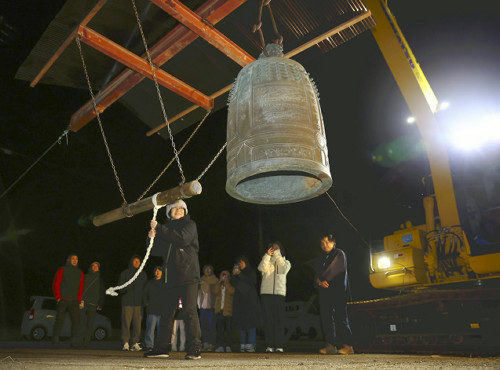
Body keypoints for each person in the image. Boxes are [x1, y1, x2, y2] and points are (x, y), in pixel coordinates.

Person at [144, 199, 202, 360]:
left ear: (185, 212)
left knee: (189, 312)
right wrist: (151, 238)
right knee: (166, 314)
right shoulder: (166, 229)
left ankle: (195, 348)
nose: (178, 210)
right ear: (169, 212)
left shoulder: (190, 226)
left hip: (189, 276)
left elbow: (182, 239)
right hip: (171, 278)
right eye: (175, 208)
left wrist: (160, 228)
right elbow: (155, 251)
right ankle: (162, 348)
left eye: (181, 208)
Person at [314, 234, 354, 355]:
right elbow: (316, 274)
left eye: (326, 242)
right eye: (322, 243)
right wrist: (318, 281)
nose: (324, 245)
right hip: (325, 293)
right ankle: (330, 345)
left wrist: (323, 278)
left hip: (338, 291)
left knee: (341, 318)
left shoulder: (339, 253)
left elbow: (335, 269)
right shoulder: (321, 258)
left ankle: (348, 346)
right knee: (326, 319)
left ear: (333, 242)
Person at [258, 241, 291, 353]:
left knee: (279, 320)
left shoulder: (286, 262)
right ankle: (269, 345)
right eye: (272, 248)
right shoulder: (267, 261)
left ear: (281, 250)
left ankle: (279, 345)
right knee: (268, 320)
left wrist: (277, 255)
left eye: (277, 248)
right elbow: (261, 268)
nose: (274, 250)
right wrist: (267, 255)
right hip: (266, 294)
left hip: (279, 294)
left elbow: (282, 270)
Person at [52, 253, 84, 346]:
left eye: (76, 259)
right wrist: (58, 297)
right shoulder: (62, 270)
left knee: (76, 321)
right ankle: (55, 339)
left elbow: (81, 287)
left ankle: (74, 341)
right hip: (63, 299)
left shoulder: (80, 272)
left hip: (74, 301)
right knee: (59, 319)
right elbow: (56, 283)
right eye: (73, 259)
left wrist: (78, 299)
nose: (75, 260)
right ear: (68, 260)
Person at [231, 255, 261, 353]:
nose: (240, 264)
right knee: (241, 323)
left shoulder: (250, 271)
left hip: (250, 301)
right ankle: (243, 343)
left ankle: (251, 343)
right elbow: (232, 283)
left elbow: (252, 281)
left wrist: (239, 274)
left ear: (245, 262)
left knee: (251, 323)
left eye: (242, 262)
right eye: (238, 263)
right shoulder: (237, 273)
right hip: (239, 302)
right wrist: (234, 274)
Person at [119, 255, 147, 351]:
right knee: (126, 323)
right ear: (131, 262)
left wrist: (145, 301)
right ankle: (125, 343)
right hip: (127, 302)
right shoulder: (125, 273)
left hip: (139, 303)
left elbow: (145, 289)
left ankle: (135, 343)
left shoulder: (143, 274)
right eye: (135, 261)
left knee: (137, 324)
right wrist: (128, 287)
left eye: (138, 261)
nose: (136, 263)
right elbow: (120, 287)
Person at [79, 261, 105, 348]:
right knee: (81, 322)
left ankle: (86, 342)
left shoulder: (100, 280)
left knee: (90, 323)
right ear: (90, 267)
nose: (94, 267)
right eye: (93, 265)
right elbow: (80, 288)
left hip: (93, 303)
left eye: (96, 266)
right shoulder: (85, 277)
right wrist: (79, 300)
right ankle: (79, 340)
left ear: (98, 268)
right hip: (84, 302)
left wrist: (100, 304)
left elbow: (102, 293)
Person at [143, 266, 164, 351]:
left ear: (162, 272)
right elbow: (144, 294)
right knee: (150, 329)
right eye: (156, 270)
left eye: (159, 271)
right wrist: (146, 304)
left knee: (161, 330)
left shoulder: (165, 283)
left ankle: (160, 345)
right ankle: (149, 346)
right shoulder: (150, 283)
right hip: (151, 310)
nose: (157, 272)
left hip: (161, 310)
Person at [198, 264, 218, 351]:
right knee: (203, 325)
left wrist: (207, 285)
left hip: (211, 306)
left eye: (209, 269)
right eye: (206, 269)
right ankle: (205, 342)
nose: (207, 271)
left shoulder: (215, 280)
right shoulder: (200, 280)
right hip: (202, 306)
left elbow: (216, 292)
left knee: (211, 325)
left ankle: (211, 343)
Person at [214, 269, 234, 353]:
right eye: (222, 276)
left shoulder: (230, 284)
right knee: (220, 330)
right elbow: (214, 292)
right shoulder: (218, 285)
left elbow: (232, 291)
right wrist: (219, 283)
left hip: (228, 311)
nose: (224, 277)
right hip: (219, 310)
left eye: (225, 276)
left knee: (228, 330)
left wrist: (226, 283)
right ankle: (220, 346)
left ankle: (228, 346)